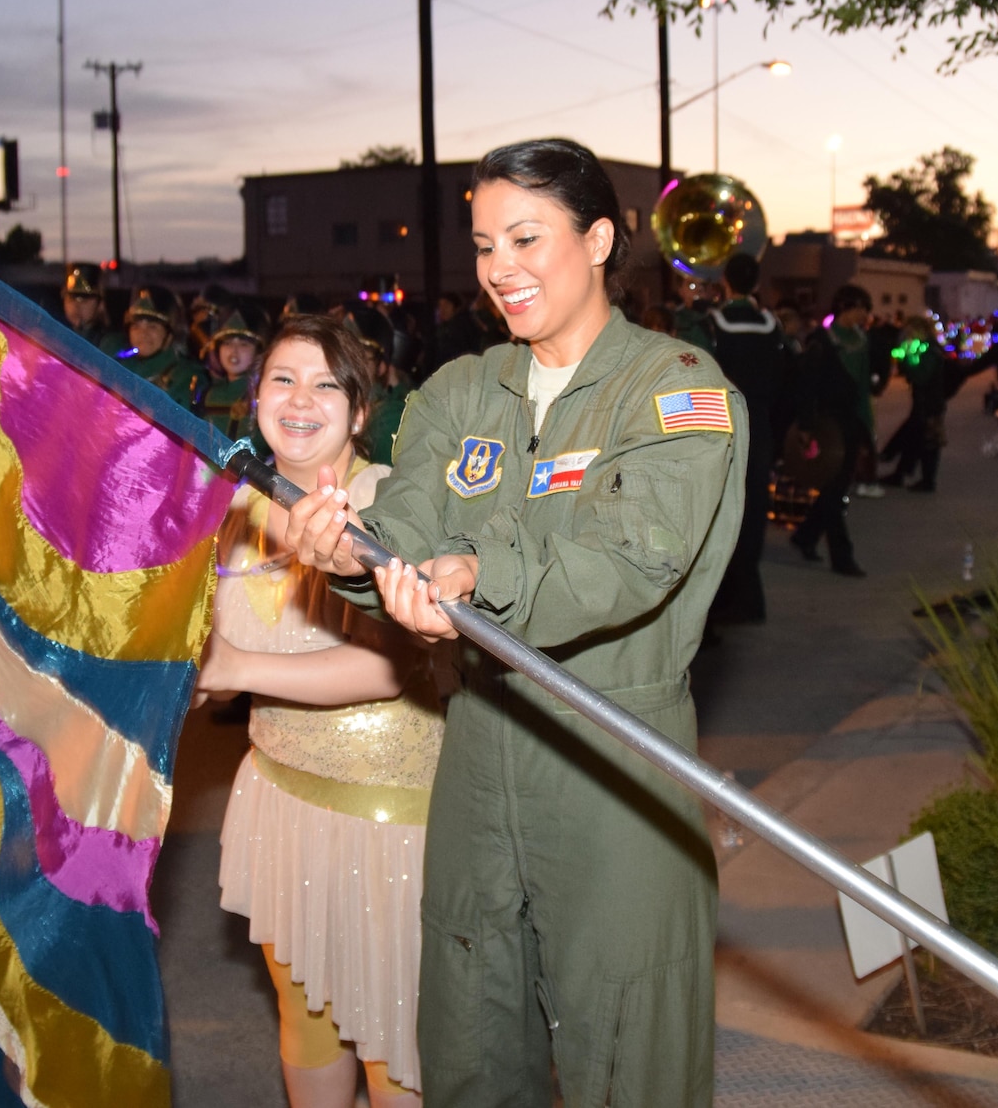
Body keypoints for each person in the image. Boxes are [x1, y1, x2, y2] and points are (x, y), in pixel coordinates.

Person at [284, 138, 744, 1105]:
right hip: (480, 748)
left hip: (615, 752)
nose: (501, 267)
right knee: (471, 1035)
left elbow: (632, 555)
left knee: (631, 1049)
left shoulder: (676, 389)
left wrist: (480, 572)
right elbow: (407, 520)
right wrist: (354, 551)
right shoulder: (460, 390)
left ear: (602, 239)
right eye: (487, 242)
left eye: (528, 237)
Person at [201, 315, 444, 1107]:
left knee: (395, 1034)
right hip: (280, 793)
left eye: (326, 384)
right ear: (254, 397)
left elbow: (388, 662)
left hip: (388, 819)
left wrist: (236, 667)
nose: (300, 399)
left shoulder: (388, 504)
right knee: (306, 1016)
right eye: (282, 379)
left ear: (361, 411)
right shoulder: (236, 502)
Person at [707, 252, 791, 624]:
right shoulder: (773, 327)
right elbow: (788, 381)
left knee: (722, 511)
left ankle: (725, 597)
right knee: (755, 511)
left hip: (723, 428)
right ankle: (750, 598)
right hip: (762, 429)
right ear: (756, 284)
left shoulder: (712, 324)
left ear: (725, 281)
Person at [788, 285, 874, 576]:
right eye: (862, 308)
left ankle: (806, 536)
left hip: (851, 423)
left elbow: (863, 392)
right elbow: (807, 387)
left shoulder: (861, 342)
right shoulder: (821, 342)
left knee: (835, 488)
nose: (865, 315)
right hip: (827, 426)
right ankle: (842, 557)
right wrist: (806, 426)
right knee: (835, 490)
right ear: (848, 308)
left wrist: (867, 429)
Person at [879, 316, 960, 492]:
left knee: (928, 442)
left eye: (910, 330)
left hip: (929, 405)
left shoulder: (930, 350)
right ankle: (901, 474)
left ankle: (926, 481)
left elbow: (921, 377)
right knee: (913, 439)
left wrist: (907, 361)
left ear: (919, 330)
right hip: (925, 404)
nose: (907, 334)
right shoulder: (926, 347)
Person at [345, 306, 413, 467]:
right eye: (344, 356)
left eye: (362, 358)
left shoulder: (388, 419)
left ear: (381, 367)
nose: (350, 366)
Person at [116, 286, 208, 402]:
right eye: (136, 326)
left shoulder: (188, 377)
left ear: (169, 334)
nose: (143, 334)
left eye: (152, 327)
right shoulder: (119, 370)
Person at [196, 307, 265, 441]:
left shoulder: (267, 395)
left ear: (258, 351)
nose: (233, 351)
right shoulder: (206, 394)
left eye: (244, 344)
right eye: (227, 343)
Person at [60, 262, 121, 352]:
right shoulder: (54, 334)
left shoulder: (111, 342)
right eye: (71, 299)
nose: (77, 305)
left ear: (100, 305)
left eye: (84, 300)